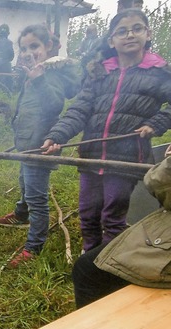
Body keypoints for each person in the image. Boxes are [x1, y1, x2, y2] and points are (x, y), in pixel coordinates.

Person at [43, 9, 171, 252]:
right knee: (88, 212)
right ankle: (90, 257)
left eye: (137, 28)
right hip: (91, 154)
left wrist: (157, 123)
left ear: (148, 33)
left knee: (112, 216)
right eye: (122, 31)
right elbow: (79, 109)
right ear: (112, 40)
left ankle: (108, 263)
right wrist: (56, 135)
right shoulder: (100, 72)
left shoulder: (159, 72)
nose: (129, 35)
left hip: (126, 157)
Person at [0, 24, 81, 268]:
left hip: (42, 145)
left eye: (35, 46)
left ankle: (34, 246)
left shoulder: (51, 73)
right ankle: (21, 214)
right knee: (24, 182)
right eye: (24, 48)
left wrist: (39, 79)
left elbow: (54, 106)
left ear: (48, 46)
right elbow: (26, 106)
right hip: (27, 141)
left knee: (37, 197)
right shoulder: (34, 72)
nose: (29, 52)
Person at [72, 147, 171, 308]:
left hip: (123, 161)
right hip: (97, 158)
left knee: (87, 270)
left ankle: (102, 327)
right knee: (89, 212)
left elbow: (159, 186)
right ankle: (96, 250)